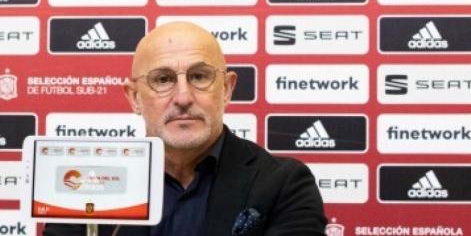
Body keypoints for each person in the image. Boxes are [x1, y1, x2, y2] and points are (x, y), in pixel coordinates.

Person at [43, 21, 326, 236]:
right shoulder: (86, 187)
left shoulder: (284, 184)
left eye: (199, 76)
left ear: (226, 89)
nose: (183, 97)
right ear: (134, 97)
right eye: (163, 79)